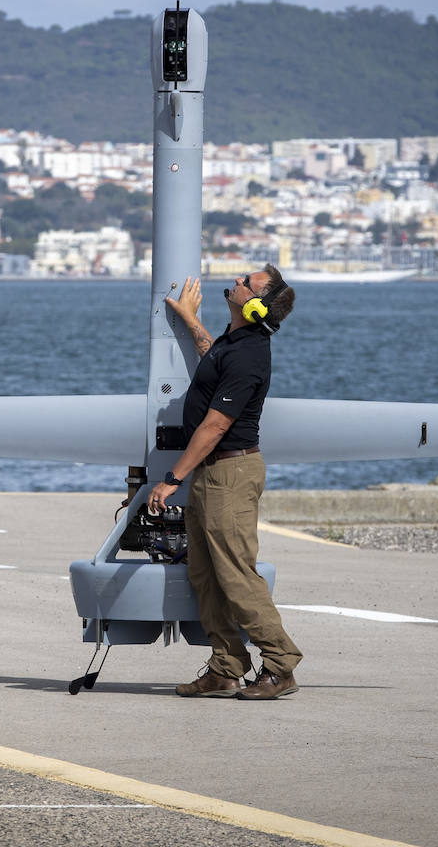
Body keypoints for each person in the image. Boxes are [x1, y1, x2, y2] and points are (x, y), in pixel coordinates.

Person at [148, 264, 302, 700]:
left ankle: (280, 664)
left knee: (236, 574)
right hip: (213, 473)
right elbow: (211, 353)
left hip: (230, 472)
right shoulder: (234, 342)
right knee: (205, 575)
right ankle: (226, 668)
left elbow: (216, 426)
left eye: (246, 283)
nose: (236, 282)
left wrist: (172, 478)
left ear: (256, 304)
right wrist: (190, 317)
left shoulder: (252, 353)